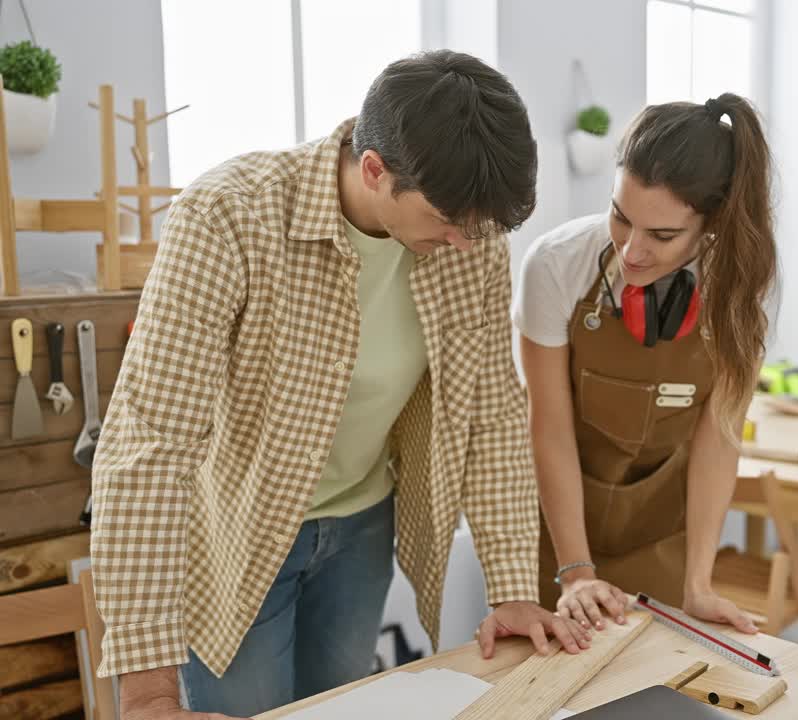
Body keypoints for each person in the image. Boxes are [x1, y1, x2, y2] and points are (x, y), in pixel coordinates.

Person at [92, 51, 589, 720]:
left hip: (361, 527)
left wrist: (508, 588)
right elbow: (149, 445)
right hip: (241, 534)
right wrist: (147, 695)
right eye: (450, 221)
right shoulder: (225, 219)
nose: (467, 243)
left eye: (481, 228)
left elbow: (493, 414)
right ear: (375, 170)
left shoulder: (470, 238)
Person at [515, 93, 777, 634]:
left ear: (713, 224)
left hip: (663, 535)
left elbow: (718, 439)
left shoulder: (743, 290)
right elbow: (550, 427)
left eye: (661, 235)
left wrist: (699, 586)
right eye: (620, 216)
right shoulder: (556, 265)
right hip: (556, 531)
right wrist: (575, 572)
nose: (632, 251)